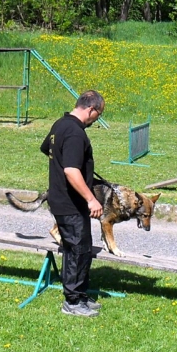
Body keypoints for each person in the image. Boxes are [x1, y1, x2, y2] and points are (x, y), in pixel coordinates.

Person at [40, 90, 105, 317]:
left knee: (81, 249)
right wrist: (91, 199)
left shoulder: (60, 124)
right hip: (71, 203)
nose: (97, 120)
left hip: (60, 198)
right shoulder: (76, 133)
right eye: (99, 115)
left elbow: (46, 148)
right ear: (91, 109)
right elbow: (70, 170)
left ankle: (81, 295)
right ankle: (73, 302)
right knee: (77, 250)